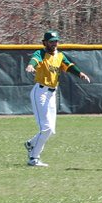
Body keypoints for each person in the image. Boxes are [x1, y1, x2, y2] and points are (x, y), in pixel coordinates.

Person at [24, 30, 91, 167]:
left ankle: (31, 143)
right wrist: (31, 65)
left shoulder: (59, 56)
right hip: (40, 92)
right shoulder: (41, 53)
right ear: (45, 42)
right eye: (51, 41)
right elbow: (35, 59)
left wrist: (80, 74)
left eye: (56, 41)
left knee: (51, 130)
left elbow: (69, 66)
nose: (54, 43)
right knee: (46, 128)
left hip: (52, 93)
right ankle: (33, 158)